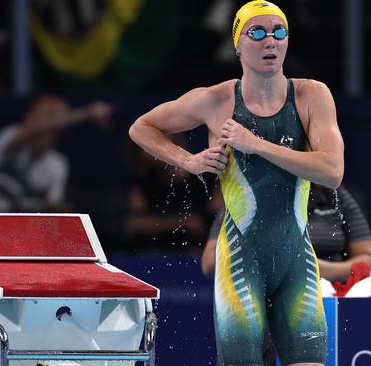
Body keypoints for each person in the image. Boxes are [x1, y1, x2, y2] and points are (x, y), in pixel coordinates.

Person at [128, 1, 344, 364]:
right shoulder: (215, 100)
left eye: (279, 32)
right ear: (238, 44)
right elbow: (141, 128)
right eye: (257, 32)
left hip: (297, 261)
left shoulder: (312, 96)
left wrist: (255, 144)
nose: (270, 41)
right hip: (241, 261)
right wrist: (189, 161)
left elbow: (332, 171)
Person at [0, 94, 111, 213]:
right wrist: (87, 114)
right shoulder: (9, 136)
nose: (56, 124)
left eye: (61, 119)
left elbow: (54, 205)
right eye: (50, 115)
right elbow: (38, 127)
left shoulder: (57, 164)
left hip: (13, 233)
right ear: (29, 115)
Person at [202, 184, 371, 281]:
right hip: (266, 296)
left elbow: (369, 260)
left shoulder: (335, 194)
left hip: (330, 294)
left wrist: (318, 269)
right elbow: (210, 262)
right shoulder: (248, 195)